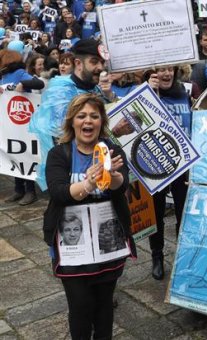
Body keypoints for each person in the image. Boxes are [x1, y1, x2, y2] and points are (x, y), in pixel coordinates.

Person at [44, 93, 134, 340]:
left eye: (94, 116)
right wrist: (89, 184)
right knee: (80, 307)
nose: (88, 121)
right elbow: (59, 192)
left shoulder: (112, 149)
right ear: (72, 121)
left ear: (101, 121)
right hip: (73, 246)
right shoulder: (59, 154)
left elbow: (121, 183)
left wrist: (111, 176)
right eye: (82, 116)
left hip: (108, 243)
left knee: (105, 306)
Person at [28, 38, 116, 190]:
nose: (100, 68)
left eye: (102, 63)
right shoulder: (60, 91)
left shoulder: (95, 89)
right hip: (69, 174)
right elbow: (64, 135)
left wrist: (110, 97)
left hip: (98, 171)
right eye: (94, 62)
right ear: (78, 63)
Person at [145, 65, 192, 280]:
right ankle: (157, 255)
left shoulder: (185, 92)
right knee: (157, 213)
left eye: (169, 70)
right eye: (161, 70)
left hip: (184, 166)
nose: (166, 74)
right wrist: (146, 94)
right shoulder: (148, 92)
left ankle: (183, 256)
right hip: (157, 164)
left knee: (184, 212)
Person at [0, 49, 45, 205]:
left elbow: (38, 83)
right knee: (14, 156)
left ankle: (30, 191)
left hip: (24, 124)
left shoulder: (19, 73)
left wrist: (23, 83)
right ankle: (18, 190)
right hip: (9, 125)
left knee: (25, 156)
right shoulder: (2, 77)